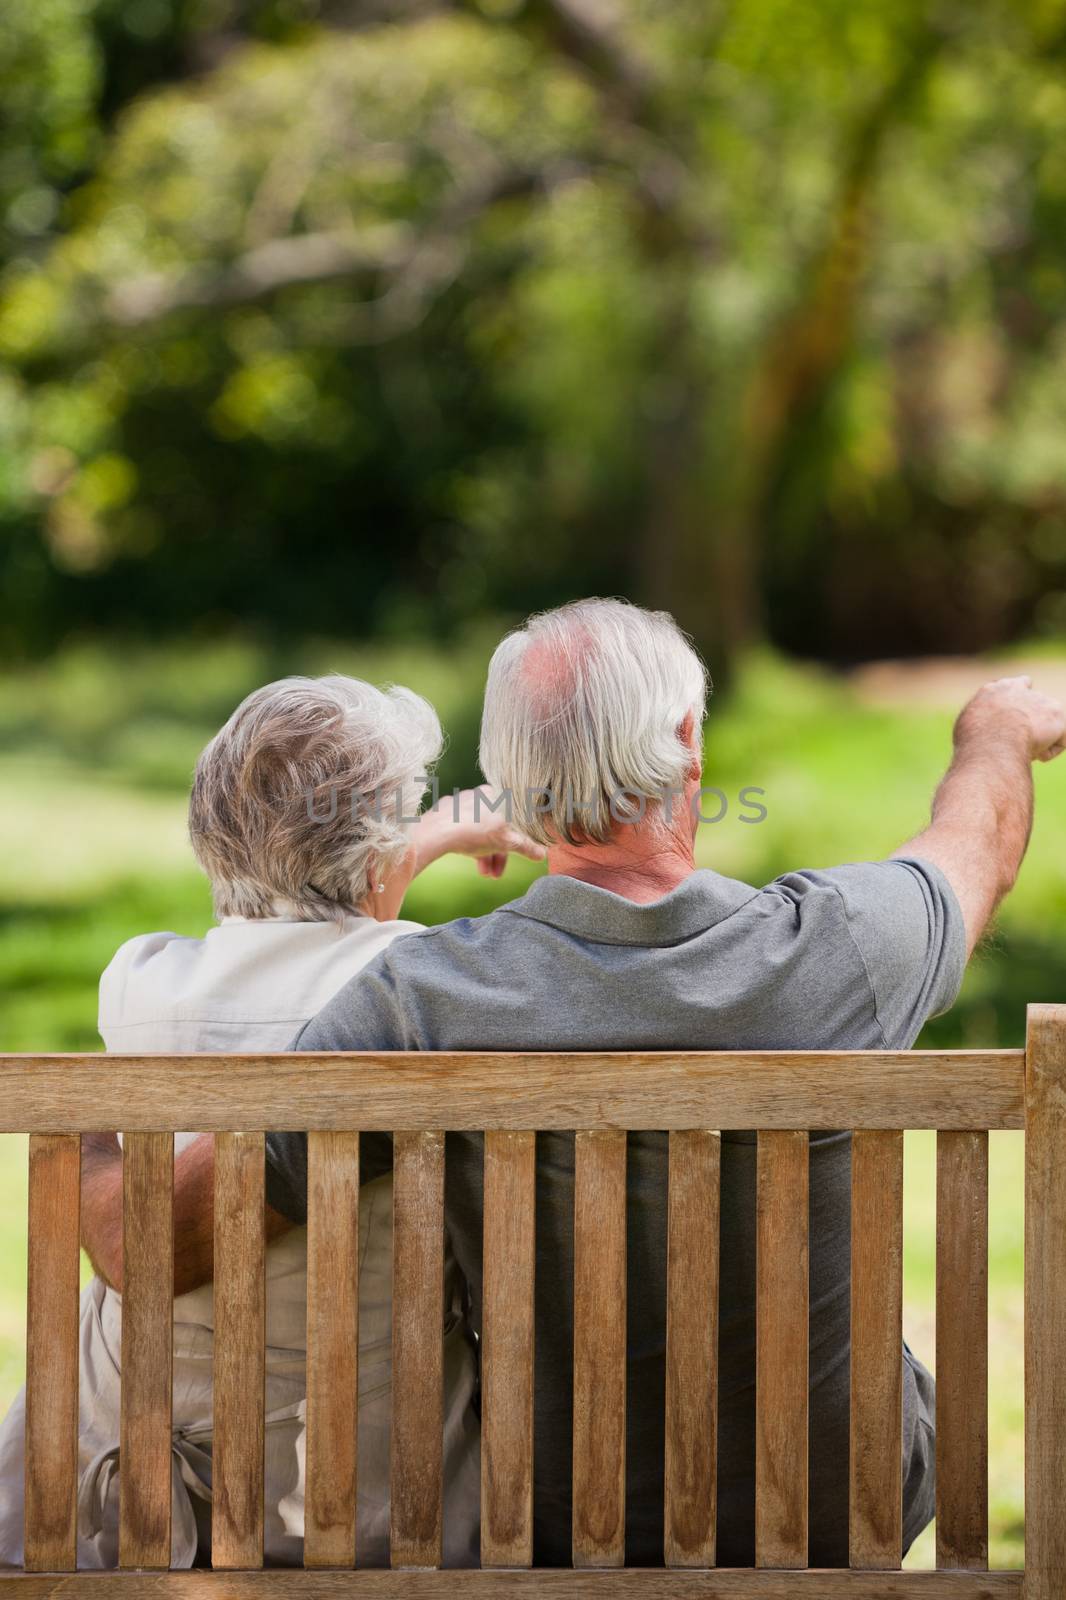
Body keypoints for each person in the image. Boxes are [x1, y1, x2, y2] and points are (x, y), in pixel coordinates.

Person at [79, 599, 1066, 1566]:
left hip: (556, 1523)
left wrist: (89, 1129)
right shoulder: (844, 946)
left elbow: (149, 1238)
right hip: (833, 1512)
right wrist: (991, 734)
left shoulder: (421, 1003)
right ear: (688, 738)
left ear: (506, 780)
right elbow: (976, 846)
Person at [0, 673, 543, 1569]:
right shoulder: (427, 992)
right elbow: (358, 944)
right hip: (368, 1511)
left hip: (112, 1498)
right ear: (379, 855)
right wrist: (421, 844)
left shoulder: (139, 986)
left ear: (214, 832)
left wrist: (405, 843)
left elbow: (311, 919)